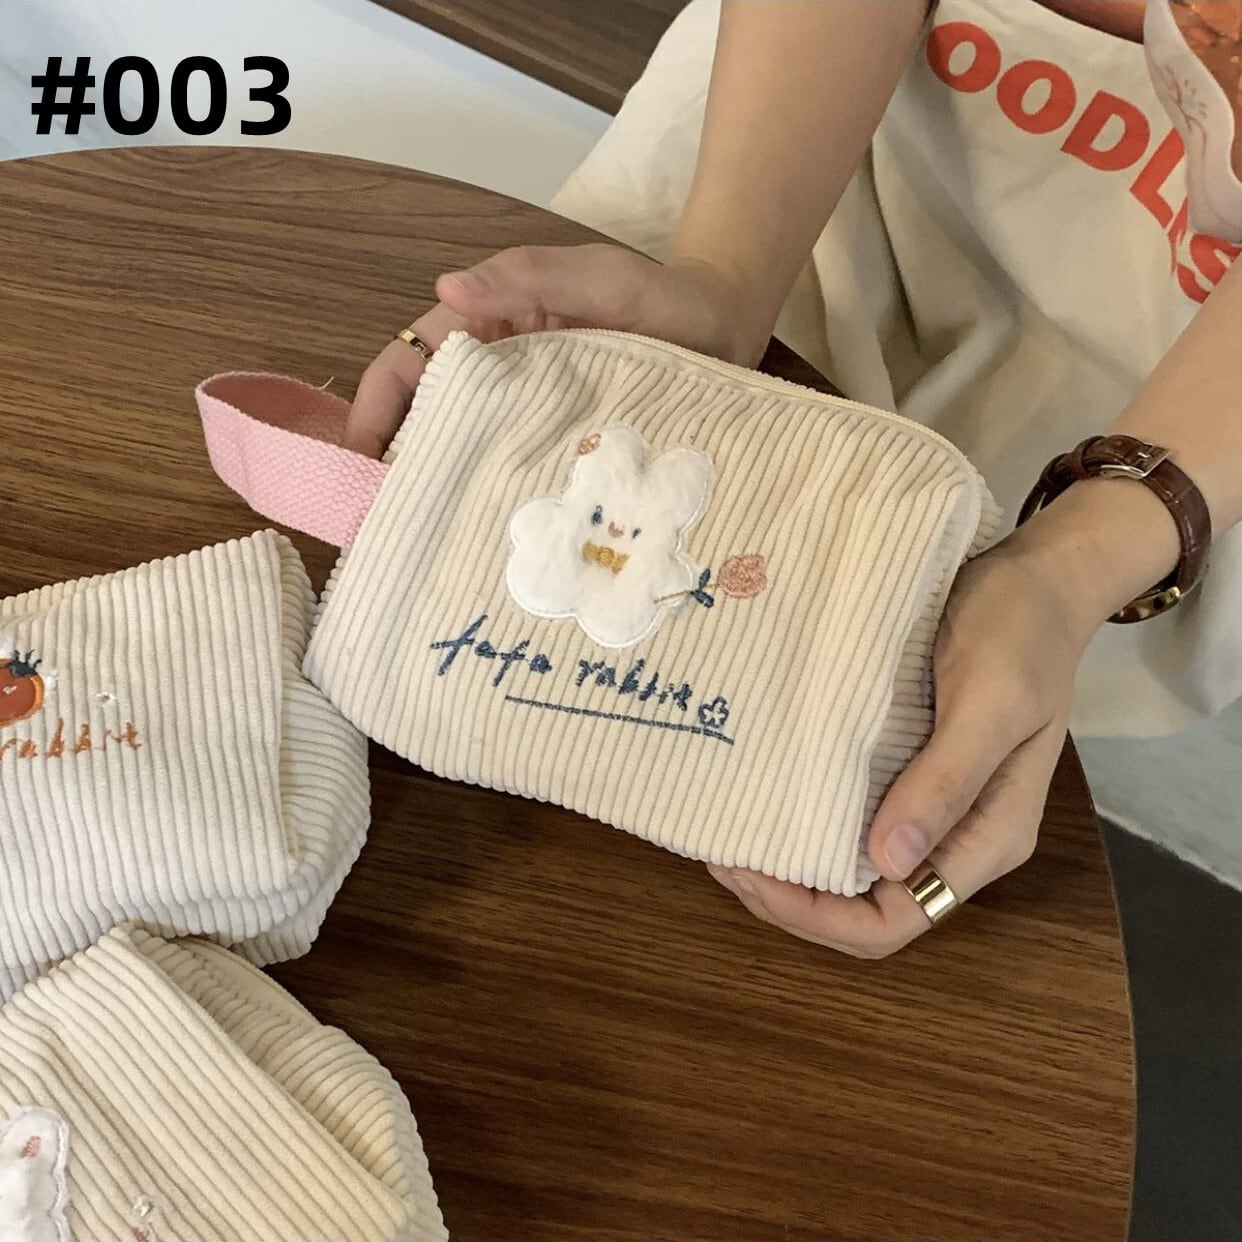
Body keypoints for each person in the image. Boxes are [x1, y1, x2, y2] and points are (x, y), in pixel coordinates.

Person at [343, 0, 1242, 957]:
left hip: (1182, 396)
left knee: (944, 709)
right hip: (797, 147)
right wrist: (724, 280)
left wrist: (1072, 564)